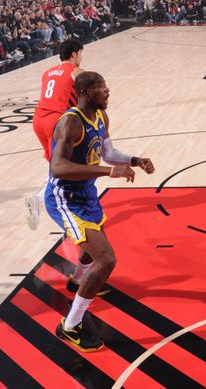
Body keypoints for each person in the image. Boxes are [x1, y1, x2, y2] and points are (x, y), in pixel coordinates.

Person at [46, 71, 154, 351]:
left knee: (94, 244)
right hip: (65, 198)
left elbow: (107, 153)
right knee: (105, 260)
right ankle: (69, 326)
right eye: (101, 88)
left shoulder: (101, 117)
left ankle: (78, 280)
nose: (107, 92)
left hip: (86, 193)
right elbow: (58, 167)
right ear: (84, 93)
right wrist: (109, 172)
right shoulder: (70, 124)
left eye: (106, 87)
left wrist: (135, 159)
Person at [26, 40, 85, 230]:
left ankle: (47, 189)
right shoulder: (76, 71)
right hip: (55, 122)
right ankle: (41, 200)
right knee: (64, 168)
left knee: (55, 164)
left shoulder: (47, 72)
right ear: (75, 54)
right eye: (81, 54)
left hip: (38, 120)